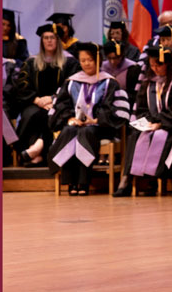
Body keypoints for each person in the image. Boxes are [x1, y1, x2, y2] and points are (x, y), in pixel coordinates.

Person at [47, 43, 131, 195]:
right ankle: (71, 182)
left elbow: (113, 109)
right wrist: (70, 118)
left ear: (98, 60)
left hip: (100, 127)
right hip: (75, 124)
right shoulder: (71, 82)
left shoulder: (109, 82)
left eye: (90, 60)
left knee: (86, 132)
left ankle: (83, 182)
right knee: (69, 130)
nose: (86, 63)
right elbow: (61, 106)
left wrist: (95, 120)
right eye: (83, 60)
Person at [113, 47, 172, 197]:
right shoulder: (148, 82)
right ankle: (126, 179)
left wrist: (160, 123)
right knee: (135, 134)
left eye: (158, 65)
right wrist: (149, 122)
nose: (154, 69)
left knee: (160, 136)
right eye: (152, 65)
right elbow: (141, 108)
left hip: (171, 125)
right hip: (152, 124)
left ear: (168, 64)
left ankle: (152, 180)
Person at [13, 24, 80, 166]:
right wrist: (37, 100)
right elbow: (22, 86)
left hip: (60, 103)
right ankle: (38, 152)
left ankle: (36, 151)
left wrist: (53, 99)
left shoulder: (70, 62)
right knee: (32, 115)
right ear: (42, 41)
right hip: (34, 102)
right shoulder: (31, 62)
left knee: (49, 114)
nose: (49, 41)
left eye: (52, 38)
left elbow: (71, 85)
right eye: (46, 38)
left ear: (58, 40)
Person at [101, 40, 140, 105]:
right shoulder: (102, 67)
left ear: (121, 56)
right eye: (109, 58)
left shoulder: (132, 68)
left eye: (115, 58)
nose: (112, 62)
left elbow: (133, 94)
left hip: (126, 102)